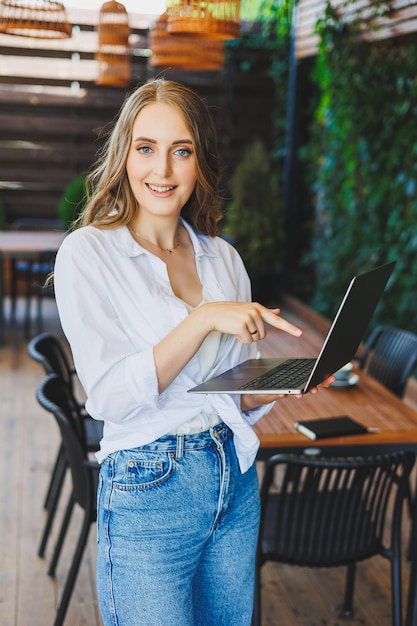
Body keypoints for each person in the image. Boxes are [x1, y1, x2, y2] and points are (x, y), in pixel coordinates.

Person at [53, 78, 333, 626]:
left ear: (199, 161)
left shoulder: (224, 259)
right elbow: (108, 396)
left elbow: (224, 392)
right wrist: (204, 318)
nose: (162, 170)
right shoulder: (88, 254)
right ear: (124, 155)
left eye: (180, 151)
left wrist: (280, 382)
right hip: (147, 488)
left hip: (234, 478)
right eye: (146, 149)